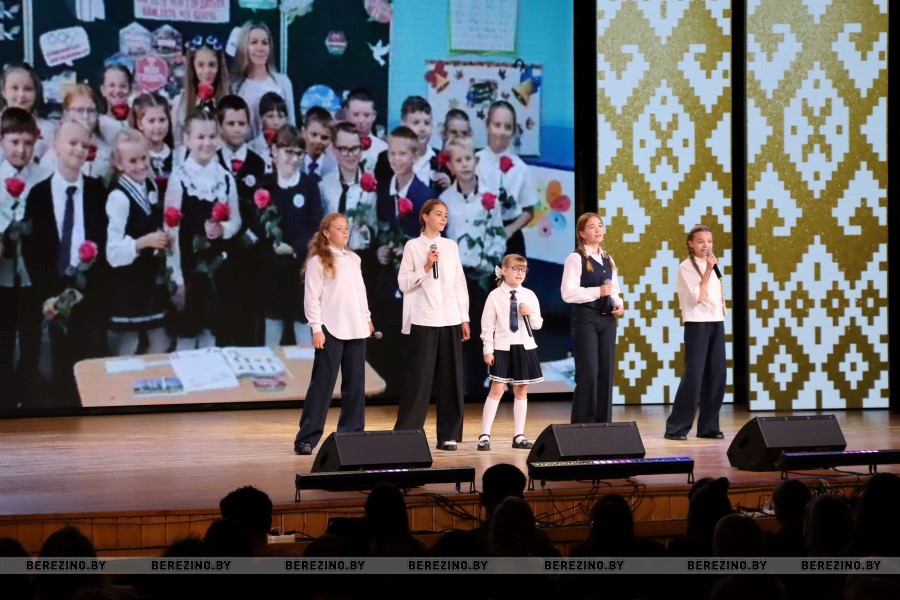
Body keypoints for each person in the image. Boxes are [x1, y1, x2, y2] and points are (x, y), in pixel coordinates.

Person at [22, 119, 110, 408]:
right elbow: (32, 251)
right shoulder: (38, 195)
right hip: (53, 292)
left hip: (91, 291)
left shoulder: (97, 191)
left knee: (91, 364)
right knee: (60, 369)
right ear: (55, 146)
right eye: (72, 143)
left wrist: (90, 283)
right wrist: (46, 294)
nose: (78, 150)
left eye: (84, 145)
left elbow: (105, 240)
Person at [293, 213, 373, 455]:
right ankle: (307, 437)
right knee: (322, 384)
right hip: (331, 328)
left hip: (356, 328)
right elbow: (311, 298)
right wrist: (316, 328)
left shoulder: (354, 259)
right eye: (339, 228)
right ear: (327, 233)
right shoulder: (318, 261)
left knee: (355, 385)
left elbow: (360, 292)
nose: (345, 232)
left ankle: (352, 435)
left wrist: (367, 318)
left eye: (346, 228)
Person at [394, 199, 469, 451]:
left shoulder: (451, 246)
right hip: (423, 317)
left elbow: (459, 283)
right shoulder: (413, 246)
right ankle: (408, 434)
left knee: (451, 379)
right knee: (419, 379)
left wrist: (464, 317)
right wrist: (426, 267)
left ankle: (449, 434)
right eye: (438, 214)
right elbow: (404, 283)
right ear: (425, 216)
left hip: (449, 317)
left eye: (446, 215)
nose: (443, 218)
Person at [165, 109, 240, 350]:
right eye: (200, 137)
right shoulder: (179, 178)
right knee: (186, 338)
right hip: (187, 269)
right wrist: (177, 279)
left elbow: (236, 221)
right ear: (187, 139)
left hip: (217, 270)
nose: (207, 143)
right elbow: (170, 232)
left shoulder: (225, 178)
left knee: (212, 337)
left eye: (211, 136)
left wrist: (223, 229)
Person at [441, 135, 505, 394]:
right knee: (459, 332)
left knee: (483, 329)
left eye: (468, 158)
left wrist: (488, 261)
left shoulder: (490, 197)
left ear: (476, 161)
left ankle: (481, 384)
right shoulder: (445, 199)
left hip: (483, 276)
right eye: (459, 160)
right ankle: (461, 386)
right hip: (457, 278)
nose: (465, 164)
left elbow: (498, 235)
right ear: (450, 166)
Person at [104, 129, 171, 357]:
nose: (141, 165)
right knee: (128, 344)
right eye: (133, 161)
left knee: (160, 341)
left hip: (150, 279)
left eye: (144, 158)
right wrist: (143, 242)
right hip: (128, 281)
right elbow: (112, 252)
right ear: (119, 164)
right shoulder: (118, 198)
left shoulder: (150, 186)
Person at [0, 107, 50, 408]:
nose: (21, 150)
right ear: (2, 141)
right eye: (14, 142)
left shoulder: (43, 177)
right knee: (4, 336)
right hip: (3, 274)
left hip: (32, 272)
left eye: (27, 143)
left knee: (31, 334)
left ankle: (29, 391)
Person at [258, 125, 322, 348]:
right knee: (272, 330)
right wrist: (272, 249)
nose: (294, 159)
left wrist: (294, 249)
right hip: (271, 270)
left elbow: (315, 226)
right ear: (275, 151)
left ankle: (307, 369)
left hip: (301, 270)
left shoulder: (309, 185)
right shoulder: (265, 184)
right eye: (288, 152)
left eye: (299, 154)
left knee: (303, 329)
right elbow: (257, 225)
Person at [664, 225, 727, 440]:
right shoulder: (686, 267)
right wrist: (708, 270)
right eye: (701, 241)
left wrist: (711, 268)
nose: (706, 246)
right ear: (691, 243)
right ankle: (676, 427)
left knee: (717, 375)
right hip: (697, 323)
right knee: (694, 376)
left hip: (716, 321)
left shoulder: (713, 265)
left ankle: (709, 427)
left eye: (709, 241)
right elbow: (697, 298)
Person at [561, 213, 623, 423]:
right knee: (589, 372)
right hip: (586, 319)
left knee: (606, 372)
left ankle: (603, 424)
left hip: (607, 320)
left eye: (600, 226)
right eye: (591, 227)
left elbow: (614, 289)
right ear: (581, 233)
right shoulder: (576, 258)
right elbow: (568, 293)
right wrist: (598, 292)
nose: (598, 230)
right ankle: (582, 425)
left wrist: (618, 302)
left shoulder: (608, 258)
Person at [215, 94, 266, 347]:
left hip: (249, 250)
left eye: (242, 123)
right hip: (218, 249)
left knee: (248, 314)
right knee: (221, 313)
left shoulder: (258, 163)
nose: (237, 129)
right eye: (231, 123)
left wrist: (251, 235)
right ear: (220, 126)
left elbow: (264, 206)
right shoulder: (212, 160)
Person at [478, 254, 543, 451]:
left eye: (523, 270)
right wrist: (488, 350)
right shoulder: (495, 296)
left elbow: (538, 324)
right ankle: (484, 435)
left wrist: (529, 314)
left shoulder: (529, 295)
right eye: (515, 269)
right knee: (497, 389)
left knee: (521, 389)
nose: (520, 273)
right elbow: (487, 326)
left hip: (524, 345)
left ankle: (519, 435)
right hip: (503, 347)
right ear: (504, 270)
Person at [476, 101, 536, 256]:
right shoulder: (474, 161)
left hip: (510, 238)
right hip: (478, 234)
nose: (501, 132)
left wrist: (510, 230)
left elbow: (529, 211)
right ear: (487, 126)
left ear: (514, 131)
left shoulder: (521, 168)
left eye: (507, 127)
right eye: (497, 125)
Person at [231, 21, 295, 140]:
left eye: (264, 43)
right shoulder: (236, 87)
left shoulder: (283, 82)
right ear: (244, 46)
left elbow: (291, 125)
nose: (260, 48)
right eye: (254, 42)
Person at [41, 85, 114, 186]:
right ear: (66, 113)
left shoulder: (106, 146)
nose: (85, 116)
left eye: (91, 111)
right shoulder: (56, 148)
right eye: (79, 110)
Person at [172, 35, 230, 147]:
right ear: (193, 67)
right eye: (200, 65)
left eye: (212, 65)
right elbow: (177, 143)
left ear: (219, 66)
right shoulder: (180, 102)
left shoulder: (228, 101)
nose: (207, 71)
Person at [1, 63, 55, 161]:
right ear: (3, 91)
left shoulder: (48, 130)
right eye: (14, 88)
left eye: (27, 89)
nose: (21, 94)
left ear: (36, 93)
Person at [131, 93, 174, 191]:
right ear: (140, 123)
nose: (158, 126)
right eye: (151, 121)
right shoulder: (134, 158)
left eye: (162, 120)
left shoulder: (178, 157)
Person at [344, 87, 387, 173]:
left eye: (366, 115)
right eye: (356, 115)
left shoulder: (383, 149)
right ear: (346, 114)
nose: (361, 120)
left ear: (374, 116)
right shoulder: (335, 148)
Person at [248, 92, 288, 173]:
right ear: (261, 119)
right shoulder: (250, 149)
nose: (276, 122)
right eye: (270, 116)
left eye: (280, 116)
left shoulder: (293, 147)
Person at [98, 65, 134, 146]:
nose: (117, 90)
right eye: (111, 85)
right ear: (103, 90)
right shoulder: (97, 123)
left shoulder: (138, 120)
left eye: (123, 86)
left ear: (130, 89)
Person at [301, 106, 337, 179]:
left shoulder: (335, 167)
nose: (318, 141)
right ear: (304, 132)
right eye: (314, 135)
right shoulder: (295, 163)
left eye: (324, 137)